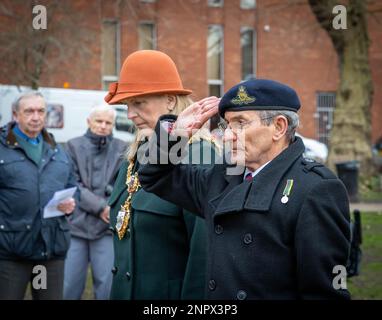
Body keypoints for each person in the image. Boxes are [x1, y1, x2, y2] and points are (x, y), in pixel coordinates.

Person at [138, 78, 352, 300]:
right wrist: (176, 135)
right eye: (227, 125)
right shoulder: (221, 178)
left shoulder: (315, 189)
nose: (228, 135)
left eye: (240, 123)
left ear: (279, 127)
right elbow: (154, 176)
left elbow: (327, 291)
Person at [104, 50, 217, 300]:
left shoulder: (199, 155)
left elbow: (203, 257)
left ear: (170, 100)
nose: (130, 114)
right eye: (127, 105)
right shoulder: (134, 157)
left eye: (139, 103)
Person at [0, 91, 77, 300]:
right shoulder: (3, 148)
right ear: (15, 115)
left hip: (48, 253)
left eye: (41, 111)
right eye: (29, 111)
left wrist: (71, 204)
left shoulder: (57, 150)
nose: (36, 117)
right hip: (10, 254)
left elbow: (72, 184)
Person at [63, 104, 127, 300]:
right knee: (69, 286)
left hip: (105, 229)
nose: (103, 126)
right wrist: (101, 207)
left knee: (106, 286)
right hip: (76, 226)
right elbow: (71, 183)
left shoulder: (122, 148)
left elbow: (123, 184)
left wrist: (109, 208)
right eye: (99, 121)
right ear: (89, 122)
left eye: (108, 122)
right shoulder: (72, 146)